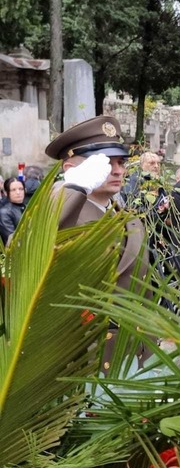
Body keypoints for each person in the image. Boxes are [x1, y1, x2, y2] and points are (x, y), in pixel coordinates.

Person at [45, 115, 150, 370]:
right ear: (71, 169)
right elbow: (35, 243)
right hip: (83, 352)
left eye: (120, 161)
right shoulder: (60, 215)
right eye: (104, 162)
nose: (118, 170)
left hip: (132, 346)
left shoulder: (129, 219)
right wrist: (71, 189)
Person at [0, 178, 26, 245]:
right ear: (6, 193)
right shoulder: (5, 212)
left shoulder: (26, 207)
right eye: (13, 190)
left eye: (21, 189)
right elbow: (11, 238)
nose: (18, 192)